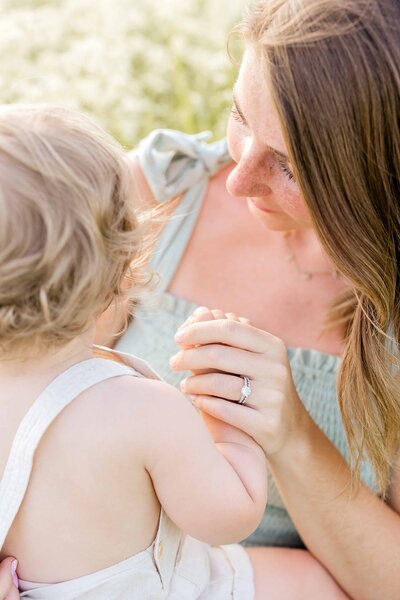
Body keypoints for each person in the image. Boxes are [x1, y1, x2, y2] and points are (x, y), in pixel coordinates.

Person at [1, 0, 399, 597]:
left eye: (291, 166)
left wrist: (289, 434)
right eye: (239, 115)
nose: (237, 179)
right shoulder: (137, 199)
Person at [0, 103, 273, 599]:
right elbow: (230, 516)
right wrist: (232, 419)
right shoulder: (143, 409)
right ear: (123, 266)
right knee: (314, 582)